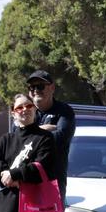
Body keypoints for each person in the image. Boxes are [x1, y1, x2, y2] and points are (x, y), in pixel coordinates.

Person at [26, 70, 75, 202]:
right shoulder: (24, 110)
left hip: (53, 182)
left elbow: (59, 139)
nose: (35, 90)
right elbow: (16, 139)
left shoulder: (64, 111)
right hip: (25, 180)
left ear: (52, 88)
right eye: (32, 87)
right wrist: (44, 129)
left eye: (40, 86)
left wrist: (29, 133)